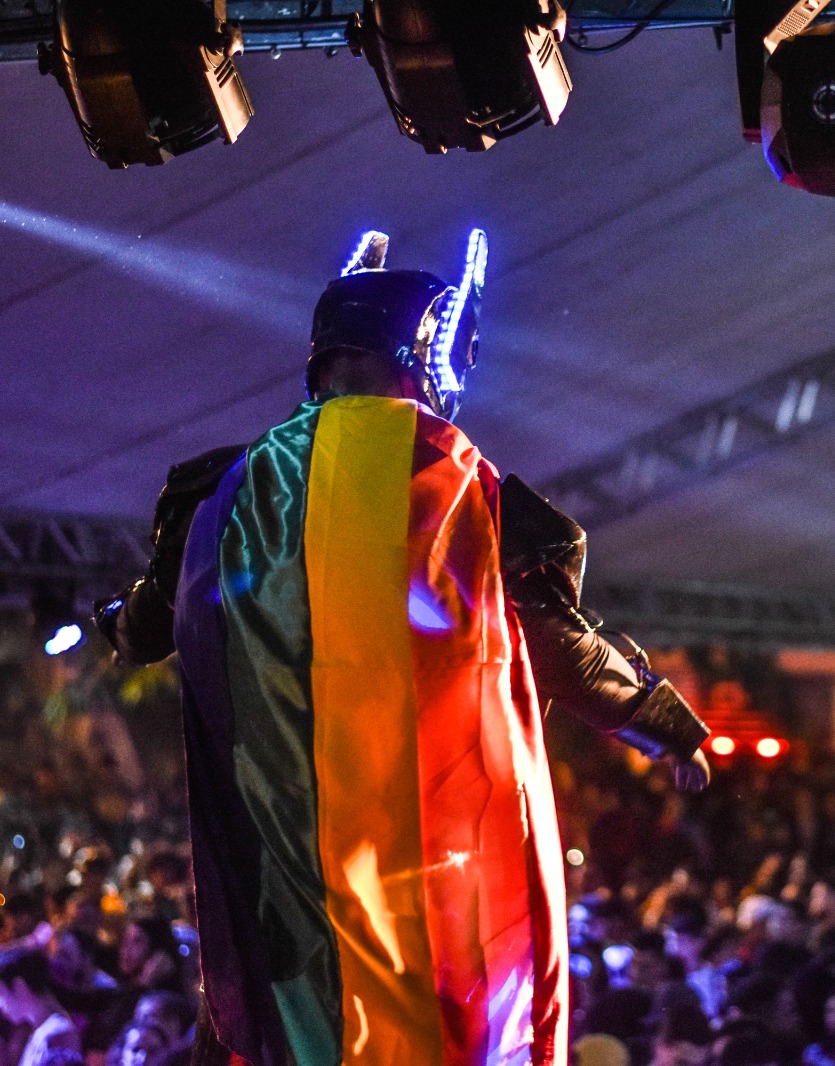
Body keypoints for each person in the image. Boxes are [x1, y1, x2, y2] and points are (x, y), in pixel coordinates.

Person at [94, 229, 712, 1066]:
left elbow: (145, 627)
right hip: (431, 886)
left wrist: (109, 619)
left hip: (282, 875)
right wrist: (663, 724)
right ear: (426, 360)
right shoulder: (468, 491)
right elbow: (562, 648)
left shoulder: (225, 489)